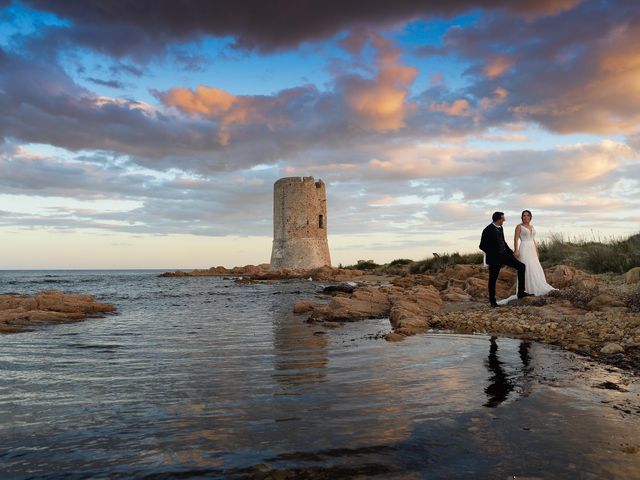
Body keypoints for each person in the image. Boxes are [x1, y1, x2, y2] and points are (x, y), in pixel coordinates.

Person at [479, 211, 530, 307]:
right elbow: (482, 246)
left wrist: (512, 253)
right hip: (494, 259)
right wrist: (494, 253)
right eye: (503, 218)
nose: (504, 220)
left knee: (521, 266)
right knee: (493, 279)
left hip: (505, 255)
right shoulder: (487, 230)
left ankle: (521, 292)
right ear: (498, 220)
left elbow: (503, 242)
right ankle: (492, 301)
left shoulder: (500, 227)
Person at [512, 210, 557, 296]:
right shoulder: (519, 226)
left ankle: (537, 286)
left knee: (534, 266)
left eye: (527, 215)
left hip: (532, 248)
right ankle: (525, 289)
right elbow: (516, 239)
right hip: (524, 247)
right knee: (526, 266)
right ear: (522, 217)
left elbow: (533, 239)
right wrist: (516, 250)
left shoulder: (532, 226)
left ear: (530, 217)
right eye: (524, 215)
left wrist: (536, 250)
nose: (526, 217)